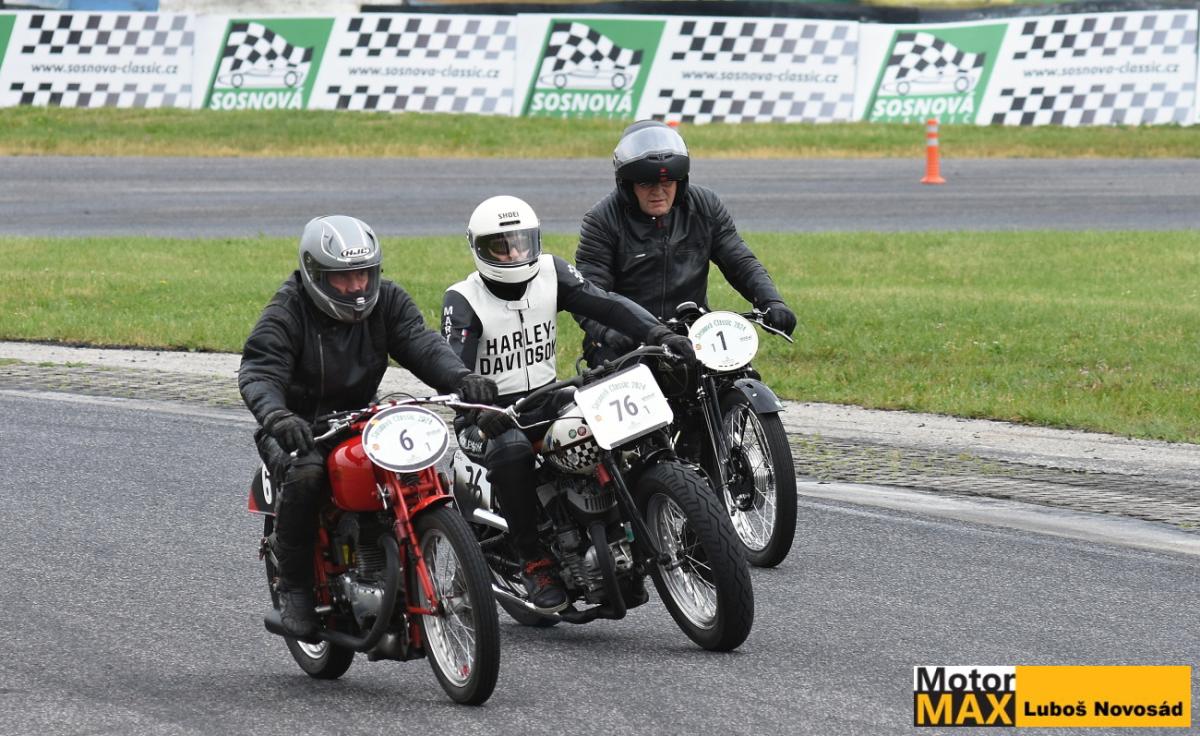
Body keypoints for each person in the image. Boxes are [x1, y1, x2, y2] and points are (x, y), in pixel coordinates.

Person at [239, 214, 499, 638]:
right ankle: (295, 588)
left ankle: (395, 554)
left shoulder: (388, 301)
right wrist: (279, 417)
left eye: (364, 273)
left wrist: (460, 378)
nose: (357, 286)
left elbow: (421, 343)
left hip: (359, 416)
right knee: (307, 473)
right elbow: (259, 373)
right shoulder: (286, 312)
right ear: (315, 274)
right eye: (344, 277)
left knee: (412, 470)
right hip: (296, 426)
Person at [442, 195, 694, 613]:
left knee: (608, 424)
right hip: (488, 418)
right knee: (512, 449)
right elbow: (452, 363)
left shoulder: (551, 272)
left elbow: (606, 303)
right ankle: (534, 562)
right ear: (478, 248)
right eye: (500, 247)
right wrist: (475, 402)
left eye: (521, 243)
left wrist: (658, 334)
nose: (514, 254)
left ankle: (622, 533)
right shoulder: (463, 298)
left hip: (547, 398)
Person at [574, 119, 797, 367]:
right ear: (627, 186)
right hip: (627, 337)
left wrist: (771, 301)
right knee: (634, 384)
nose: (658, 191)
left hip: (692, 331)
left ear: (680, 182)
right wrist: (608, 331)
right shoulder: (602, 220)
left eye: (667, 182)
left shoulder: (705, 206)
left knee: (741, 379)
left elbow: (740, 262)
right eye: (646, 183)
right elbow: (586, 291)